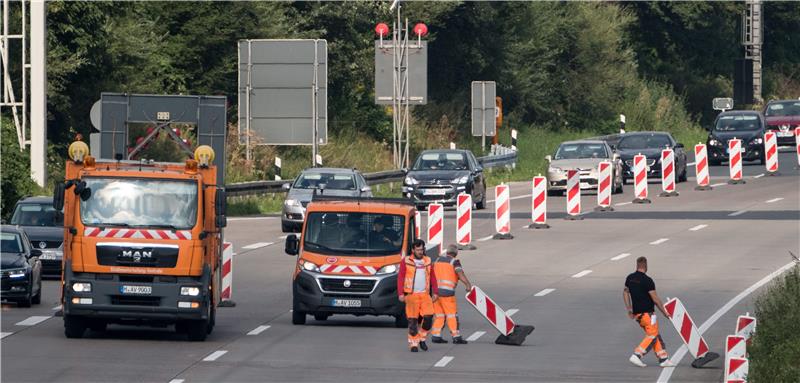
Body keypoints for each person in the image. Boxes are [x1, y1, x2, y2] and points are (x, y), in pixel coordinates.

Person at [623, 256, 675, 368]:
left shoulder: (630, 278)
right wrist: (665, 312)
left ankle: (663, 358)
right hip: (648, 314)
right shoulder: (648, 280)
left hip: (638, 315)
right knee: (652, 335)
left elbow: (625, 293)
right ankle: (637, 355)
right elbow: (655, 299)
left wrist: (629, 308)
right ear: (646, 266)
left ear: (637, 265)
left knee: (655, 334)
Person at [397, 239, 438, 352]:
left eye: (422, 249)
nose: (421, 252)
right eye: (418, 250)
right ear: (413, 250)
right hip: (411, 295)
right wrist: (400, 293)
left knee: (429, 318)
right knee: (413, 322)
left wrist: (435, 292)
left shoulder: (428, 260)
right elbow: (400, 277)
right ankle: (414, 344)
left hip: (425, 295)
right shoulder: (406, 261)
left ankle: (422, 338)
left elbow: (433, 277)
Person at [430, 244, 472, 344]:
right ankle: (456, 336)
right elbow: (460, 274)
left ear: (447, 252)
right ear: (456, 253)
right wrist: (468, 284)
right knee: (452, 315)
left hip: (435, 293)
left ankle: (436, 335)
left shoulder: (437, 260)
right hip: (447, 294)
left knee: (439, 315)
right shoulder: (455, 262)